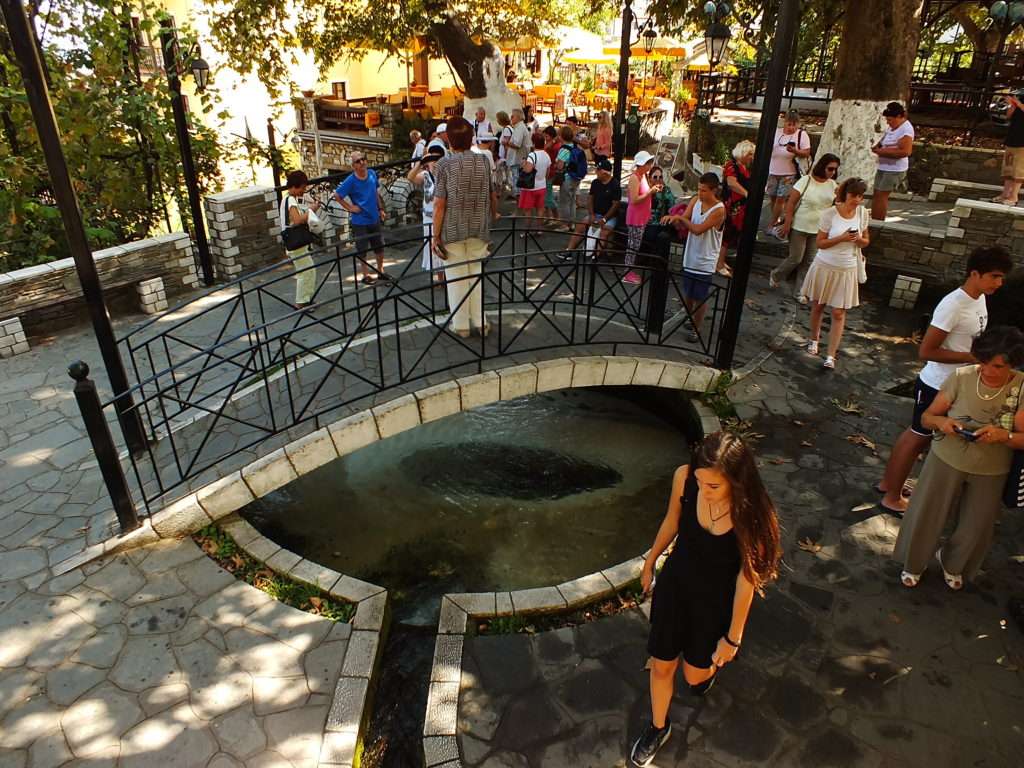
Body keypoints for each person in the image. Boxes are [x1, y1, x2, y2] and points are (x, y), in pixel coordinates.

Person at [631, 431, 781, 767]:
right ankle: (658, 726)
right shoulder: (684, 479)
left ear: (736, 482)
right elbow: (672, 519)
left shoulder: (751, 514)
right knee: (661, 665)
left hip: (714, 603)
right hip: (675, 587)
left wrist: (732, 638)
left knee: (694, 678)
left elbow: (747, 580)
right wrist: (650, 561)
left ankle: (705, 672)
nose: (704, 491)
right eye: (700, 483)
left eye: (713, 486)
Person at [877, 246, 1012, 513]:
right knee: (917, 436)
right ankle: (891, 497)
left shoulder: (979, 298)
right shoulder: (953, 305)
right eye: (994, 276)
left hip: (953, 384)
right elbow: (926, 351)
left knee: (919, 436)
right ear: (975, 273)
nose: (999, 283)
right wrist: (973, 358)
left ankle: (888, 484)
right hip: (936, 385)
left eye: (1002, 277)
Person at [894, 326, 1024, 589]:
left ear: (1014, 364)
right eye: (983, 362)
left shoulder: (1021, 386)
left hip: (992, 468)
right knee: (928, 513)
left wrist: (1004, 436)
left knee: (976, 524)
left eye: (998, 366)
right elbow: (927, 417)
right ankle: (914, 562)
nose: (988, 371)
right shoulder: (962, 376)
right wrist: (943, 423)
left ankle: (954, 563)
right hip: (946, 458)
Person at [432, 117, 499, 338]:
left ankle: (461, 326)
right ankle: (480, 322)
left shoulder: (444, 165)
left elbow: (440, 204)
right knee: (476, 275)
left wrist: (435, 235)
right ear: (471, 138)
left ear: (450, 140)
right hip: (479, 227)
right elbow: (492, 194)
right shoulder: (483, 161)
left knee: (456, 278)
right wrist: (493, 215)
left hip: (452, 229)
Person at [801, 177, 870, 369]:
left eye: (860, 196)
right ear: (845, 194)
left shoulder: (863, 214)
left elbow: (866, 241)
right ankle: (813, 339)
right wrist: (841, 237)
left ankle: (831, 355)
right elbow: (820, 243)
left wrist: (858, 240)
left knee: (839, 313)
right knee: (818, 305)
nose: (856, 200)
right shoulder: (830, 214)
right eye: (853, 195)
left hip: (847, 268)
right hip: (825, 265)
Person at [770, 153, 841, 301]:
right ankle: (776, 274)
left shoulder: (833, 185)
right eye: (830, 168)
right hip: (799, 227)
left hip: (819, 229)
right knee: (796, 258)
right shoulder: (805, 181)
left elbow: (837, 204)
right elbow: (790, 203)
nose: (832, 172)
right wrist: (787, 223)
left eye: (835, 170)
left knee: (809, 261)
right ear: (822, 166)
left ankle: (800, 292)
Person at [671, 173, 726, 343]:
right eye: (699, 190)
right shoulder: (695, 200)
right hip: (691, 255)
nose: (700, 194)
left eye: (704, 191)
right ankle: (689, 318)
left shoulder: (719, 210)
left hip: (705, 259)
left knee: (700, 296)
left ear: (714, 190)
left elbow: (698, 229)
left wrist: (681, 219)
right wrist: (675, 219)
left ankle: (697, 327)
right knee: (688, 293)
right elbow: (686, 219)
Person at [334, 152, 390, 285]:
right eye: (358, 161)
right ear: (353, 166)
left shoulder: (371, 173)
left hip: (374, 217)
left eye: (363, 159)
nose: (362, 162)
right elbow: (337, 196)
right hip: (360, 221)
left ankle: (380, 271)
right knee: (362, 249)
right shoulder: (351, 180)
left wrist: (380, 208)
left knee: (379, 247)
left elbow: (375, 192)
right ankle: (365, 275)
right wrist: (350, 208)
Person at [765, 110, 812, 239]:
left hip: (789, 172)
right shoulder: (777, 132)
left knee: (781, 198)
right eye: (788, 124)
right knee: (773, 197)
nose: (791, 127)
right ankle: (778, 219)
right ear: (784, 123)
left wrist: (794, 150)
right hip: (773, 170)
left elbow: (806, 152)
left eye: (794, 125)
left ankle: (772, 223)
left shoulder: (801, 135)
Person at [280, 170, 322, 308]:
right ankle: (301, 302)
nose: (303, 192)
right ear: (295, 186)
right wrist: (311, 210)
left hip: (293, 241)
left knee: (308, 270)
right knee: (306, 271)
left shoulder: (286, 199)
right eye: (302, 188)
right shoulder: (290, 200)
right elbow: (297, 220)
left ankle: (306, 299)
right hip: (295, 242)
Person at [564, 157, 621, 257]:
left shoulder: (615, 185)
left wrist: (604, 219)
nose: (596, 172)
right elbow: (590, 199)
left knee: (604, 232)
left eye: (598, 170)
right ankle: (569, 251)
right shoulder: (595, 183)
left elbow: (615, 205)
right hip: (596, 214)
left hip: (609, 217)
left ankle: (595, 257)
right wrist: (591, 214)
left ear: (604, 172)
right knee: (581, 226)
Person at [407, 146, 446, 283]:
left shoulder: (446, 173)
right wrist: (420, 163)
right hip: (428, 217)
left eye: (437, 158)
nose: (434, 161)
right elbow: (410, 177)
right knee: (431, 245)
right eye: (431, 158)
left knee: (444, 244)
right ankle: (439, 277)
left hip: (443, 216)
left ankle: (448, 274)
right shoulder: (425, 175)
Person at [871, 101, 914, 221]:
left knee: (881, 195)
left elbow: (905, 152)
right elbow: (885, 140)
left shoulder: (906, 130)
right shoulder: (892, 127)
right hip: (883, 166)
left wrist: (882, 152)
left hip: (894, 169)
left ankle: (878, 221)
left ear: (900, 117)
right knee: (876, 193)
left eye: (890, 120)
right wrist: (877, 146)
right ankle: (874, 218)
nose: (888, 123)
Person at [720, 141, 755, 277]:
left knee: (731, 234)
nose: (752, 157)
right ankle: (719, 264)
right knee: (726, 234)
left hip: (740, 207)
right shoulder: (732, 165)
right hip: (731, 205)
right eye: (750, 154)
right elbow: (731, 183)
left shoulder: (745, 167)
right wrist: (747, 193)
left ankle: (721, 261)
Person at [623, 150, 658, 285]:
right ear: (642, 164)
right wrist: (650, 191)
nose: (650, 166)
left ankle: (629, 270)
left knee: (635, 245)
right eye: (648, 163)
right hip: (635, 218)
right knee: (632, 245)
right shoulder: (635, 178)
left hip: (642, 217)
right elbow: (635, 199)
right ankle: (627, 272)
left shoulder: (642, 176)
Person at [555, 125, 588, 227]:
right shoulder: (574, 146)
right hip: (575, 178)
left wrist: (556, 164)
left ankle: (564, 225)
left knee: (564, 202)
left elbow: (560, 166)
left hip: (566, 178)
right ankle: (572, 223)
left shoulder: (563, 149)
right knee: (572, 201)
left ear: (561, 137)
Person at [995, 90, 1024, 205]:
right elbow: (1008, 116)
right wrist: (1012, 104)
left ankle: (1014, 196)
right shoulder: (1019, 99)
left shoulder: (1020, 103)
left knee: (1019, 169)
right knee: (1008, 168)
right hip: (1012, 138)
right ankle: (1005, 194)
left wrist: (1018, 103)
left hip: (1022, 141)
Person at [517, 133, 550, 232]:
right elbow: (547, 172)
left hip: (530, 187)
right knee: (540, 208)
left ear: (534, 143)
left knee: (528, 210)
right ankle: (539, 229)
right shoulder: (546, 155)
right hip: (542, 185)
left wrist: (523, 164)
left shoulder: (532, 155)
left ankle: (526, 230)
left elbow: (527, 170)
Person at [503, 109, 531, 197]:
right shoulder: (519, 127)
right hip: (519, 159)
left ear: (518, 117)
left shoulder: (520, 128)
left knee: (518, 184)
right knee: (518, 183)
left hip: (518, 160)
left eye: (512, 116)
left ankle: (518, 208)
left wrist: (506, 142)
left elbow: (516, 144)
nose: (511, 118)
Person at [542, 126, 563, 225]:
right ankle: (549, 217)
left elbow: (545, 149)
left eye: (547, 136)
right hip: (546, 172)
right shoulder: (551, 143)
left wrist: (553, 141)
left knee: (548, 197)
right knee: (546, 197)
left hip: (550, 173)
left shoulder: (555, 146)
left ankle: (556, 217)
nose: (545, 138)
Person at [495, 111, 513, 197]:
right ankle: (503, 188)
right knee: (505, 172)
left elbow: (506, 145)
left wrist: (505, 157)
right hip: (505, 155)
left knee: (499, 171)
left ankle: (500, 190)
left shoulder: (506, 129)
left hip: (505, 155)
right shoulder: (507, 128)